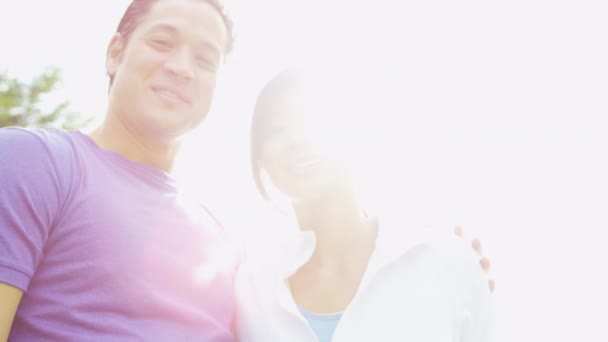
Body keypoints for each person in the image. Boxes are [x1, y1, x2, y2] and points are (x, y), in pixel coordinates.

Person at [0, 0, 238, 340]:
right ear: (115, 53)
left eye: (205, 60)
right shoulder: (33, 161)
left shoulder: (227, 241)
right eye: (162, 42)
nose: (182, 68)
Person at [235, 69, 496, 341]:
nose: (297, 140)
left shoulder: (443, 257)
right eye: (277, 130)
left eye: (311, 120)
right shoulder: (250, 287)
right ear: (260, 160)